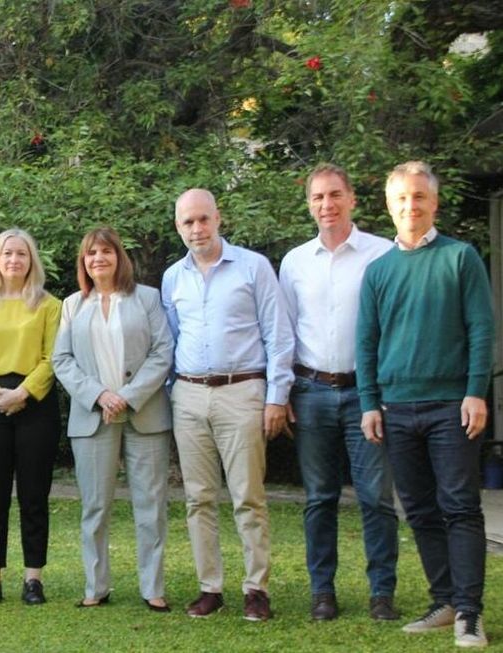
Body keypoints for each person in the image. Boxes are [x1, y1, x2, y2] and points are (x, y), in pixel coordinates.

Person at [357, 161, 494, 648]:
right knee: (418, 509)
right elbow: (366, 342)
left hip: (451, 407)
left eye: (419, 197)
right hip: (396, 409)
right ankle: (445, 600)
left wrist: (476, 391)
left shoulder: (461, 258)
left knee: (460, 507)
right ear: (389, 206)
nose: (409, 206)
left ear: (434, 203)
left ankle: (470, 613)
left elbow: (481, 329)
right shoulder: (378, 271)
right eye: (401, 199)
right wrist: (370, 402)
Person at [161, 189, 294, 622]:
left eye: (203, 219)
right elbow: (171, 340)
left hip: (242, 392)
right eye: (187, 222)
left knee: (247, 497)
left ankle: (256, 588)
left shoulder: (253, 267)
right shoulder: (173, 277)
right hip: (189, 394)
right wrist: (170, 394)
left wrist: (277, 397)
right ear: (178, 226)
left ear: (218, 218)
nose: (196, 229)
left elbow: (278, 336)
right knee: (198, 498)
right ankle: (209, 587)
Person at [278, 163, 399, 621]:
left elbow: (392, 330)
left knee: (375, 497)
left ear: (351, 199)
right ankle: (322, 592)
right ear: (309, 204)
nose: (326, 205)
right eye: (317, 198)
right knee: (319, 498)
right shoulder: (294, 262)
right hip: (310, 391)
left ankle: (381, 592)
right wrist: (285, 392)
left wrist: (384, 393)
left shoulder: (382, 255)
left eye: (334, 195)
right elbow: (284, 332)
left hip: (367, 395)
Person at [52, 227, 173, 611]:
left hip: (144, 413)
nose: (99, 258)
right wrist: (99, 395)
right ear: (83, 262)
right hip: (93, 416)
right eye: (91, 253)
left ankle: (152, 588)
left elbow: (162, 352)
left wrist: (126, 396)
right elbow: (61, 360)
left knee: (150, 503)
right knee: (95, 506)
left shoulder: (148, 298)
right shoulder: (72, 305)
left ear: (120, 257)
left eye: (106, 251)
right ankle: (96, 586)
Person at [0, 228, 61, 607]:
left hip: (36, 403)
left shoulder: (50, 306)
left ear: (31, 260)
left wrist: (23, 393)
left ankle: (33, 578)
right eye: (7, 254)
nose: (14, 260)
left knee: (35, 495)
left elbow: (52, 359)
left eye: (21, 254)